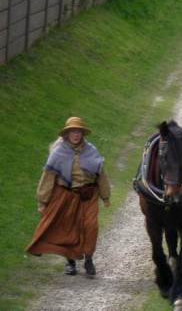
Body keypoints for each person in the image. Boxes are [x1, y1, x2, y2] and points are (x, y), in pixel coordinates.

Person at [26, 117, 111, 277]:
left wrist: (105, 196)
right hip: (67, 195)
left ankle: (89, 260)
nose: (76, 134)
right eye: (72, 131)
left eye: (78, 131)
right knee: (67, 228)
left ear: (82, 133)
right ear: (66, 133)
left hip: (88, 195)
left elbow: (101, 174)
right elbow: (48, 177)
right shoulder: (59, 152)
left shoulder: (91, 150)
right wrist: (42, 201)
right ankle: (70, 263)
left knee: (91, 227)